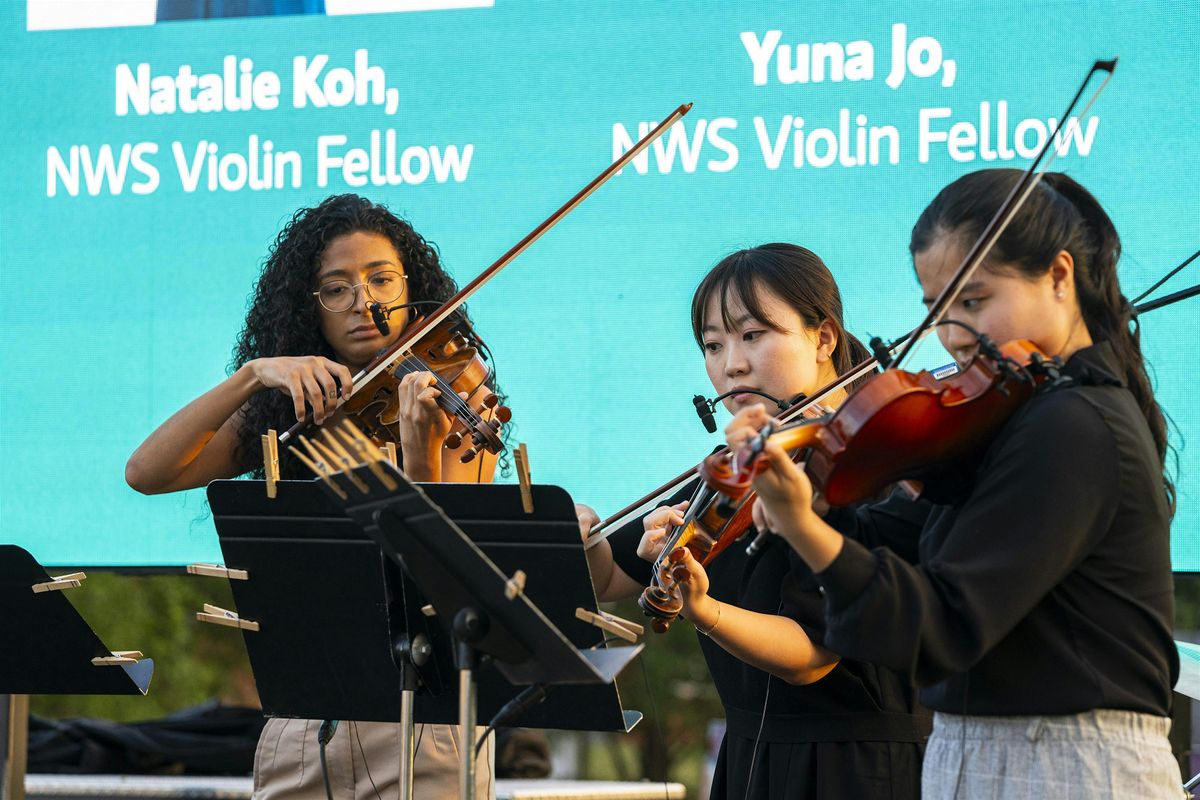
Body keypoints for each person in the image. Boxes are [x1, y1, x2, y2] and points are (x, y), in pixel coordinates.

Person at [728, 170, 1182, 799]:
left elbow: (945, 627)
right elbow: (892, 541)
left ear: (1059, 276)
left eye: (974, 302)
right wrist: (814, 505)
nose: (952, 336)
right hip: (985, 757)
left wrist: (804, 526)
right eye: (938, 311)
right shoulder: (1020, 416)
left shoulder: (1076, 423)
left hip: (1067, 767)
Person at [126, 193, 496, 799]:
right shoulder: (287, 410)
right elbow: (148, 472)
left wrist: (420, 451)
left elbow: (439, 575)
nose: (365, 304)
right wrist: (252, 375)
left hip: (423, 720)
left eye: (382, 280)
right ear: (310, 308)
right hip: (304, 720)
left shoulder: (454, 392)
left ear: (411, 287)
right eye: (336, 289)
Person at [579, 243, 929, 799]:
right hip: (751, 760)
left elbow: (811, 657)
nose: (731, 364)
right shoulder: (733, 470)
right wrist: (585, 534)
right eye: (713, 345)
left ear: (824, 338)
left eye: (752, 335)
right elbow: (607, 576)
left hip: (857, 768)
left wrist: (704, 609)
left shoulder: (871, 469)